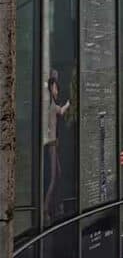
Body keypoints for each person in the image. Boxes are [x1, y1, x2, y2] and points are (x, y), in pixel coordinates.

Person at [43, 70, 71, 225]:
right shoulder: (53, 106)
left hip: (54, 144)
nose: (57, 91)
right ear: (51, 88)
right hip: (52, 145)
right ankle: (46, 209)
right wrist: (68, 104)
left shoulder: (51, 104)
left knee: (58, 174)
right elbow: (61, 111)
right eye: (55, 88)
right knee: (54, 177)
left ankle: (57, 206)